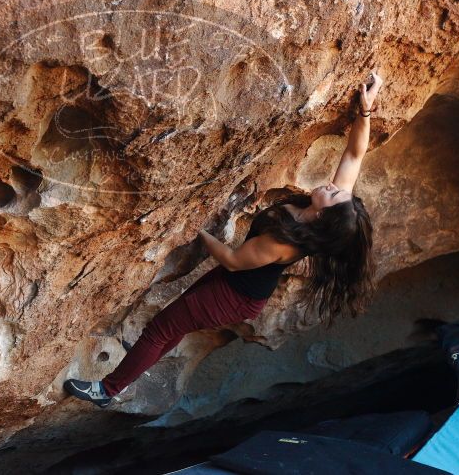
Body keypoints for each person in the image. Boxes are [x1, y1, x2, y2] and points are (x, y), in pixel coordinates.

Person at [64, 71, 384, 408]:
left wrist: (196, 229)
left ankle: (107, 391)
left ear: (324, 215)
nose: (333, 187)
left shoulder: (282, 242)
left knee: (160, 329)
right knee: (171, 329)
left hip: (233, 295)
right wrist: (366, 109)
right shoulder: (330, 211)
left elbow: (231, 260)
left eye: (334, 195)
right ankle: (141, 362)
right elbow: (353, 155)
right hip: (237, 281)